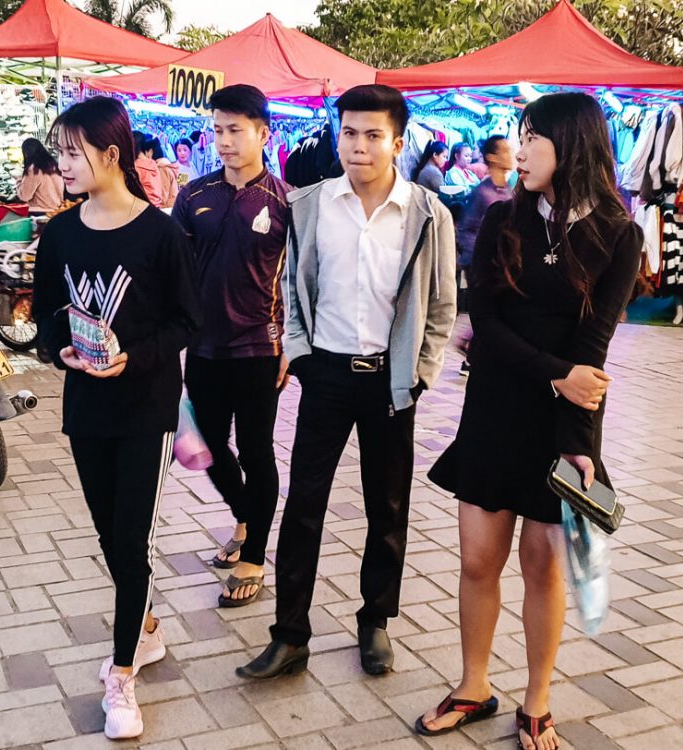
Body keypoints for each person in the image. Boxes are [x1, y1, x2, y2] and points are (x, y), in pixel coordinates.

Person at [419, 92, 643, 750]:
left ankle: (536, 700)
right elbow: (484, 323)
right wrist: (552, 374)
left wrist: (580, 449)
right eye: (519, 138)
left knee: (544, 567)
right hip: (493, 411)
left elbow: (591, 353)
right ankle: (473, 685)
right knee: (478, 560)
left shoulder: (619, 235)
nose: (520, 151)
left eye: (532, 139)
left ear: (570, 146)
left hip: (561, 428)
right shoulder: (500, 219)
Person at [237, 84, 457, 680]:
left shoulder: (428, 213)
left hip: (392, 382)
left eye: (372, 135)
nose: (358, 146)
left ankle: (375, 622)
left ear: (397, 142)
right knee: (304, 506)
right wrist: (303, 355)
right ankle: (290, 635)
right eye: (349, 133)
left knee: (387, 508)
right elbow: (294, 288)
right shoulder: (309, 205)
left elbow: (441, 302)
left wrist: (422, 371)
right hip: (327, 376)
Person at [32, 97, 199, 741]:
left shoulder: (161, 233)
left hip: (144, 409)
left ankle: (122, 676)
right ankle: (148, 626)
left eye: (73, 152)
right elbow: (46, 313)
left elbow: (188, 322)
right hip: (86, 405)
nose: (63, 164)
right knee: (108, 537)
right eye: (59, 151)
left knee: (131, 545)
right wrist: (60, 348)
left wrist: (133, 358)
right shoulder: (62, 233)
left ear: (110, 155)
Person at [171, 85, 292, 608]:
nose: (223, 141)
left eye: (235, 130)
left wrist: (292, 341)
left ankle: (254, 554)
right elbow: (174, 272)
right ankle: (246, 516)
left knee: (258, 448)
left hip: (260, 348)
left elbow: (301, 280)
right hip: (202, 349)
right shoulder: (193, 196)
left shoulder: (285, 202)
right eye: (217, 129)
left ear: (263, 133)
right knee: (211, 449)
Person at [455, 135, 517, 375]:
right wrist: (478, 260)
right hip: (482, 265)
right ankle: (471, 356)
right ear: (492, 157)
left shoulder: (508, 189)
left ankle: (473, 353)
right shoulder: (483, 193)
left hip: (503, 262)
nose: (510, 155)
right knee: (488, 310)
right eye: (505, 151)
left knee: (497, 309)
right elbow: (467, 229)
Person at [17, 137, 63, 213]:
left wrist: (19, 181)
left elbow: (24, 196)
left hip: (39, 212)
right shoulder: (54, 165)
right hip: (56, 210)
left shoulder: (34, 169)